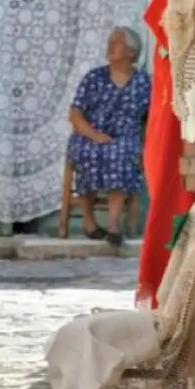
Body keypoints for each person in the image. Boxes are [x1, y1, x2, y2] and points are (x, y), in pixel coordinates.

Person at [66, 26, 151, 247]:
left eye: (116, 42)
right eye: (110, 42)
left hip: (125, 138)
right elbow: (75, 114)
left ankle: (114, 225)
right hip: (90, 135)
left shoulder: (143, 82)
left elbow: (152, 117)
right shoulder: (94, 77)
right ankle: (89, 222)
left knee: (121, 152)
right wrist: (94, 135)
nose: (110, 46)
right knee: (86, 151)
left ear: (131, 52)